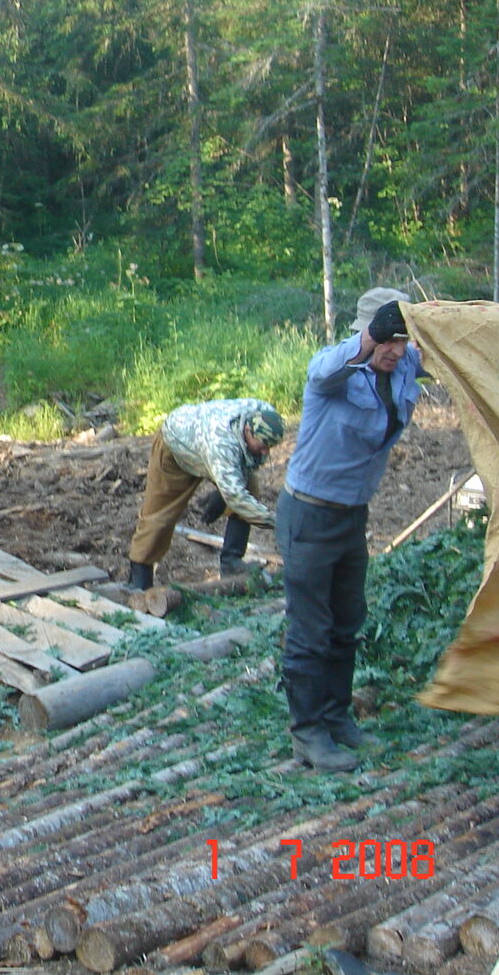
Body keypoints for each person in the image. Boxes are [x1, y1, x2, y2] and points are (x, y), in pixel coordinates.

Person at [278, 286, 421, 773]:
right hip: (309, 516)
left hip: (351, 518)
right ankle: (308, 735)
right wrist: (366, 343)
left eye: (402, 340)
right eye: (386, 339)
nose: (395, 350)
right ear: (366, 332)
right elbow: (325, 368)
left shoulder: (404, 366)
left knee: (347, 622)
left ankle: (338, 719)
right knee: (310, 629)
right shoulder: (336, 373)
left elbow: (456, 349)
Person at [124, 399, 285, 590]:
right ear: (248, 431)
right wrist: (279, 524)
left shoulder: (264, 414)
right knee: (160, 514)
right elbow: (237, 498)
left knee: (250, 489)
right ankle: (138, 578)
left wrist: (223, 492)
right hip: (177, 448)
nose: (266, 451)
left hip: (207, 443)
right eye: (263, 444)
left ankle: (231, 561)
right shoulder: (222, 444)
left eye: (270, 446)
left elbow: (247, 471)